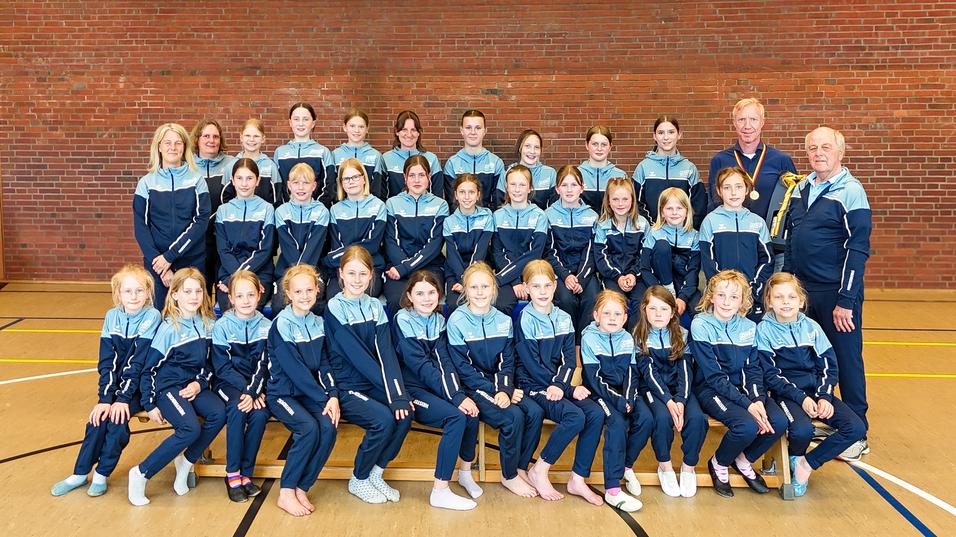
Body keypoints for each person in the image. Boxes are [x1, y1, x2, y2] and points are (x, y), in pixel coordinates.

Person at [784, 126, 872, 460]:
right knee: (812, 360)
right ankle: (829, 419)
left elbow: (857, 248)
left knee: (846, 361)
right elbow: (791, 239)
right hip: (803, 294)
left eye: (825, 147)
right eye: (812, 148)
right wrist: (788, 285)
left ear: (840, 152)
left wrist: (845, 299)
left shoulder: (851, 191)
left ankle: (857, 432)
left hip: (836, 295)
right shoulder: (801, 188)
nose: (818, 153)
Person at [51, 265, 161, 498]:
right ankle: (80, 473)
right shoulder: (112, 317)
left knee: (117, 422)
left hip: (140, 388)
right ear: (118, 293)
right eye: (128, 291)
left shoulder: (152, 316)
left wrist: (122, 399)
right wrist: (105, 398)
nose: (134, 296)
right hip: (116, 388)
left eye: (139, 291)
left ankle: (102, 474)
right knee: (97, 419)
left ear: (148, 293)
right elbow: (107, 361)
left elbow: (137, 363)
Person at [756, 272, 866, 497]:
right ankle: (793, 458)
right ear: (769, 301)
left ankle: (806, 464)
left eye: (791, 297)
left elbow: (828, 366)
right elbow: (770, 375)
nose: (786, 302)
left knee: (856, 427)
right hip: (786, 394)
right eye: (778, 297)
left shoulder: (812, 327)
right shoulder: (763, 330)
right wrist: (801, 398)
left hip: (816, 391)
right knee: (802, 430)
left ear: (801, 301)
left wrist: (824, 396)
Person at [129, 268, 225, 506]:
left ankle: (186, 461)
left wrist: (199, 384)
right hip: (167, 389)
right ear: (174, 295)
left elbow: (210, 364)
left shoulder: (209, 324)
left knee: (219, 412)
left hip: (193, 386)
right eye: (187, 291)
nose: (194, 296)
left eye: (198, 291)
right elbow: (148, 370)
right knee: (190, 429)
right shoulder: (169, 329)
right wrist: (149, 404)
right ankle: (141, 473)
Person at [324, 246, 413, 504]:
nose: (357, 279)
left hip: (373, 381)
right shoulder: (334, 307)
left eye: (363, 274)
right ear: (341, 274)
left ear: (372, 275)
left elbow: (387, 353)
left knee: (405, 413)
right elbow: (359, 358)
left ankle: (376, 473)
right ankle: (359, 478)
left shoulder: (375, 306)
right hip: (348, 386)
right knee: (383, 419)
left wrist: (398, 394)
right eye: (351, 273)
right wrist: (391, 393)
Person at [446, 262, 543, 499]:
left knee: (535, 412)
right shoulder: (457, 320)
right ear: (465, 290)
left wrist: (504, 389)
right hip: (473, 387)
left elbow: (507, 362)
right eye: (474, 287)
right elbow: (463, 368)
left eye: (485, 286)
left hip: (500, 385)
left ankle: (520, 468)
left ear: (494, 288)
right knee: (513, 416)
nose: (480, 292)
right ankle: (508, 475)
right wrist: (497, 391)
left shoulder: (503, 320)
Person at [691, 270, 787, 498]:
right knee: (746, 425)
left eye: (734, 297)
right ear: (711, 297)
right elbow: (714, 377)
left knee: (779, 421)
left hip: (743, 391)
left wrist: (757, 400)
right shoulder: (700, 324)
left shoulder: (749, 327)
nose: (726, 302)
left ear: (743, 300)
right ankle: (719, 462)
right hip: (711, 390)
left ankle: (743, 459)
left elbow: (752, 370)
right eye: (721, 295)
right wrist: (748, 405)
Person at [516, 260, 605, 506]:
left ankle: (578, 479)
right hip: (533, 385)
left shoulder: (564, 318)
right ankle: (540, 469)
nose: (542, 291)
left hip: (558, 385)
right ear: (527, 288)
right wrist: (566, 388)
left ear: (556, 286)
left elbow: (569, 360)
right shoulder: (525, 319)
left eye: (547, 285)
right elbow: (532, 365)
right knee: (574, 416)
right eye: (536, 286)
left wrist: (563, 386)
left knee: (595, 413)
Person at [392, 271, 482, 510]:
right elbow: (420, 366)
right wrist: (455, 397)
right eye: (420, 293)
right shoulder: (403, 320)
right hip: (412, 391)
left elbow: (445, 362)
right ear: (409, 296)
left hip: (434, 385)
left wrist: (459, 395)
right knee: (456, 416)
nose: (426, 298)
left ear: (439, 294)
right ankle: (440, 490)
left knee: (471, 412)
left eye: (431, 292)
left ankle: (465, 474)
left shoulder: (438, 320)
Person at [267, 264, 339, 516]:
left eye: (309, 290)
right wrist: (323, 397)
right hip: (283, 394)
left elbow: (326, 363)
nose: (305, 296)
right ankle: (286, 491)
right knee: (308, 428)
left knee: (328, 426)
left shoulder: (319, 323)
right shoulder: (281, 324)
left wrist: (332, 396)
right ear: (288, 293)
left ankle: (302, 487)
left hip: (310, 394)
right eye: (298, 291)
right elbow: (296, 372)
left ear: (317, 290)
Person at [581, 290, 652, 512]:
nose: (612, 318)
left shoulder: (627, 338)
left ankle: (626, 466)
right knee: (617, 423)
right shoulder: (589, 338)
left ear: (625, 318)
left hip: (625, 393)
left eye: (617, 314)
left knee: (647, 419)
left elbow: (632, 373)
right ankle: (612, 488)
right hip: (600, 393)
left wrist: (628, 397)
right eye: (606, 313)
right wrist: (620, 402)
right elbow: (594, 379)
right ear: (596, 315)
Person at [634, 286, 707, 498]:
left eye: (664, 309)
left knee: (697, 418)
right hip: (653, 390)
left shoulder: (682, 334)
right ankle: (665, 466)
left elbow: (686, 370)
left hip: (679, 390)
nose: (658, 314)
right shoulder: (638, 335)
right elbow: (649, 374)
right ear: (644, 310)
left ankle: (688, 468)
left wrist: (681, 400)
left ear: (673, 311)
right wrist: (668, 401)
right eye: (653, 308)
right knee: (662, 418)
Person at [707, 98, 797, 270]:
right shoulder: (720, 160)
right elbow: (713, 203)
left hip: (773, 249)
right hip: (733, 247)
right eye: (741, 119)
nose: (747, 126)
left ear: (762, 122)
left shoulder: (781, 160)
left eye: (753, 119)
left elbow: (793, 205)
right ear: (734, 122)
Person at [133, 123, 210, 307]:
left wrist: (170, 256)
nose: (172, 147)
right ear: (159, 147)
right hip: (157, 264)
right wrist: (161, 266)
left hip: (191, 261)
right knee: (160, 315)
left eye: (178, 143)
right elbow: (141, 228)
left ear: (184, 147)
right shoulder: (146, 183)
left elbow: (201, 222)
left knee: (192, 314)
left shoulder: (197, 180)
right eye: (167, 142)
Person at [211, 271, 271, 503]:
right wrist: (248, 391)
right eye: (239, 296)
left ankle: (246, 474)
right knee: (238, 408)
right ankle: (232, 473)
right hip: (227, 383)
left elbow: (265, 366)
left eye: (250, 295)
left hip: (255, 386)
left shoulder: (267, 326)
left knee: (260, 414)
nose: (245, 300)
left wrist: (255, 391)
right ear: (231, 298)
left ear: (259, 295)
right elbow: (222, 368)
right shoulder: (222, 326)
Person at [699, 167, 772, 320]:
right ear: (719, 191)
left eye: (738, 187)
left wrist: (752, 290)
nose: (733, 192)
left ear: (747, 190)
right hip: (723, 298)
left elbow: (767, 261)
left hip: (752, 296)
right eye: (727, 187)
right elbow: (708, 262)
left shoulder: (757, 222)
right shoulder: (710, 221)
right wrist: (724, 290)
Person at [383, 155, 449, 316]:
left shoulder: (440, 205)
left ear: (429, 177)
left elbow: (434, 246)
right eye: (412, 175)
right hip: (397, 266)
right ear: (405, 177)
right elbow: (391, 241)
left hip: (431, 266)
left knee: (427, 297)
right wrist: (403, 268)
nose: (417, 180)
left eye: (421, 175)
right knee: (397, 300)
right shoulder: (392, 204)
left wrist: (406, 268)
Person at [544, 165, 599, 336]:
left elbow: (591, 251)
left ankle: (582, 343)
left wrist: (581, 278)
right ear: (557, 189)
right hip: (559, 273)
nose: (569, 190)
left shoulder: (592, 216)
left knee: (592, 298)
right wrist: (566, 276)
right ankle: (567, 344)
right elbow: (549, 252)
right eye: (564, 185)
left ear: (582, 188)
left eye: (574, 185)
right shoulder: (547, 215)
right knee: (566, 300)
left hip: (585, 272)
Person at [214, 159, 275, 312]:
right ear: (232, 180)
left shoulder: (267, 209)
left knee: (251, 307)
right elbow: (223, 250)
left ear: (257, 180)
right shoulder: (223, 210)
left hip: (259, 272)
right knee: (229, 308)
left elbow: (265, 250)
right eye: (239, 178)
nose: (244, 183)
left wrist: (239, 279)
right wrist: (233, 278)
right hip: (228, 271)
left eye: (249, 178)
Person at [322, 159, 387, 299]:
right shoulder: (335, 210)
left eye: (355, 177)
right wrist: (341, 265)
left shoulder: (378, 206)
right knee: (333, 297)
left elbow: (372, 245)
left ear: (364, 178)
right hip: (344, 267)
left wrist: (329, 259)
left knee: (361, 295)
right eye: (346, 179)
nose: (351, 182)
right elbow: (337, 245)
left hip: (370, 267)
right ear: (341, 183)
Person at [592, 178, 650, 331]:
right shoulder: (602, 226)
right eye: (615, 199)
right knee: (616, 303)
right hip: (612, 277)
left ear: (632, 200)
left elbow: (645, 255)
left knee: (640, 303)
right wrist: (618, 277)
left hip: (637, 276)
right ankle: (618, 339)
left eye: (625, 199)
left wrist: (633, 274)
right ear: (608, 201)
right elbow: (601, 258)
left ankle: (635, 341)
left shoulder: (642, 224)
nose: (620, 203)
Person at [272, 163, 330, 315]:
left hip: (314, 270)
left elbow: (313, 248)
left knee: (316, 306)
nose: (301, 187)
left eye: (306, 183)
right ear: (289, 185)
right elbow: (288, 248)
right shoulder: (281, 212)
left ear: (314, 186)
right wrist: (294, 277)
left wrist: (304, 278)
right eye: (296, 182)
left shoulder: (321, 212)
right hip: (286, 270)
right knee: (279, 305)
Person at [492, 165, 549, 316]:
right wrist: (516, 281)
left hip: (533, 273)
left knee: (546, 302)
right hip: (505, 273)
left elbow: (534, 254)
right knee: (501, 305)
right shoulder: (497, 216)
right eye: (513, 184)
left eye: (522, 185)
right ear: (506, 187)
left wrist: (521, 280)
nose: (517, 189)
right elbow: (498, 253)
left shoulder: (539, 216)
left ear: (530, 188)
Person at [633, 116, 706, 229]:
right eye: (661, 133)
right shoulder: (643, 167)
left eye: (671, 132)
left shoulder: (689, 168)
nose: (666, 137)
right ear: (654, 136)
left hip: (683, 234)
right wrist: (652, 228)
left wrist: (686, 230)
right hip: (652, 233)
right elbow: (635, 203)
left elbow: (698, 205)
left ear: (679, 135)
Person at [640, 188, 701, 321]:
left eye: (679, 208)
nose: (674, 212)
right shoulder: (654, 233)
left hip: (683, 282)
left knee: (698, 310)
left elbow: (693, 270)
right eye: (669, 208)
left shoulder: (694, 236)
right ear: (662, 212)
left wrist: (683, 297)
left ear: (687, 211)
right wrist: (660, 291)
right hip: (659, 283)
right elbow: (644, 268)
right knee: (662, 245)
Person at [190, 119, 236, 294]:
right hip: (198, 239)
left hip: (225, 237)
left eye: (216, 137)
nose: (211, 140)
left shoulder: (232, 164)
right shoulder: (187, 166)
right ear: (197, 139)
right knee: (200, 287)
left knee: (224, 289)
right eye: (206, 136)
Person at [442, 173, 495, 316]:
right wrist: (462, 279)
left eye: (471, 192)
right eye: (462, 192)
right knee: (454, 303)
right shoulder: (449, 221)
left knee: (483, 300)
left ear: (478, 195)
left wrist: (467, 281)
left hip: (480, 266)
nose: (466, 197)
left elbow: (480, 251)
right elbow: (452, 255)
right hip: (455, 270)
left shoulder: (487, 217)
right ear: (456, 195)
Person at [274, 102, 336, 207]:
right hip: (287, 212)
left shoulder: (323, 152)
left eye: (306, 119)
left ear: (313, 123)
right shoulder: (280, 152)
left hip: (317, 212)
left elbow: (329, 186)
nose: (301, 123)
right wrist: (285, 209)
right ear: (290, 122)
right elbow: (279, 187)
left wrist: (316, 208)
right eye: (296, 119)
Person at [443, 110, 506, 208]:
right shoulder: (452, 164)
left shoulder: (496, 163)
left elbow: (498, 202)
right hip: (460, 217)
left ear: (485, 131)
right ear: (461, 130)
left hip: (488, 217)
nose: (473, 132)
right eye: (468, 128)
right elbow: (451, 202)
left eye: (478, 128)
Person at [382, 110, 444, 198]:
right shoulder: (385, 159)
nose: (409, 134)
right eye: (404, 130)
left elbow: (437, 197)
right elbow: (381, 195)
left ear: (418, 132)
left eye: (413, 130)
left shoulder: (431, 159)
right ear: (397, 132)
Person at [332, 108, 387, 201]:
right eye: (352, 126)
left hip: (368, 207)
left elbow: (378, 189)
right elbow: (333, 187)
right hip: (342, 208)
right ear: (345, 127)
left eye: (361, 127)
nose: (356, 130)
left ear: (367, 129)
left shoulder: (375, 156)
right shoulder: (335, 155)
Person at [499, 129, 557, 209]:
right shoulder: (507, 172)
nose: (532, 151)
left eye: (536, 147)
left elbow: (554, 207)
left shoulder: (550, 173)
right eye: (527, 146)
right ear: (520, 148)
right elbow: (499, 204)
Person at [233, 118, 284, 207]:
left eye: (256, 136)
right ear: (241, 137)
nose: (251, 139)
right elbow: (226, 197)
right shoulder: (232, 165)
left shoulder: (270, 166)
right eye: (247, 135)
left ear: (263, 139)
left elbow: (277, 197)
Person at [578, 125, 628, 212]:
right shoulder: (577, 175)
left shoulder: (620, 176)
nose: (599, 149)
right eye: (595, 144)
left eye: (604, 145)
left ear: (610, 147)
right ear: (587, 145)